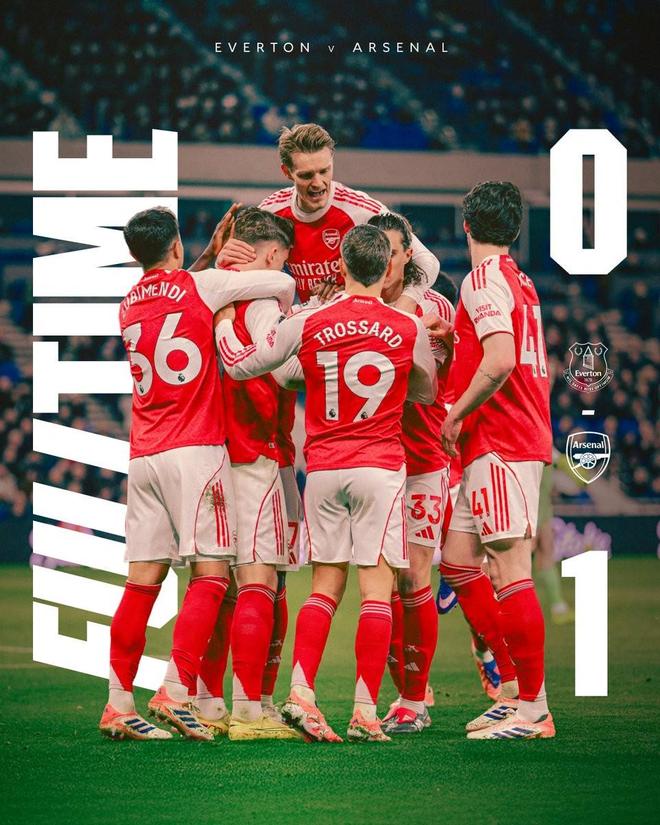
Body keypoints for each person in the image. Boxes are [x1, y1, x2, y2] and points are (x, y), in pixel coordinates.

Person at [215, 224, 440, 742]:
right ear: (388, 267)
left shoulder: (309, 320)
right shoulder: (407, 326)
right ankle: (364, 712)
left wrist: (226, 320)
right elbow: (426, 391)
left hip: (323, 469)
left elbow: (250, 367)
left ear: (339, 267)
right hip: (379, 467)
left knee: (323, 588)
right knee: (376, 592)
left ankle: (301, 694)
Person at [98, 206, 295, 741]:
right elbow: (279, 281)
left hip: (143, 454)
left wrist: (206, 258)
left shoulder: (127, 303)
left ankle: (118, 703)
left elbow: (171, 289)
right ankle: (176, 688)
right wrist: (225, 271)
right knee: (212, 574)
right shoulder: (204, 286)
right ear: (177, 245)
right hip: (195, 449)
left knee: (142, 582)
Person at [439, 181, 555, 740]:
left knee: (510, 568)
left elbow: (502, 358)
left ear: (467, 226)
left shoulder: (481, 279)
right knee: (458, 560)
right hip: (504, 438)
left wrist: (456, 413)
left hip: (501, 439)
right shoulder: (518, 280)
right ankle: (510, 688)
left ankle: (534, 709)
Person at [209, 207, 302, 741]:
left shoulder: (203, 295)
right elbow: (282, 370)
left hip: (210, 454)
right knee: (262, 581)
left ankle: (207, 699)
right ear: (271, 255)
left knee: (216, 583)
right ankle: (251, 708)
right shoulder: (265, 301)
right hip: (258, 452)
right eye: (284, 257)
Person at [365, 212, 454, 735]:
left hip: (420, 460)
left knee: (414, 576)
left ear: (407, 255)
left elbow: (444, 380)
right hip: (372, 462)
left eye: (393, 252)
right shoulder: (355, 306)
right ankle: (404, 691)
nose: (384, 261)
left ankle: (413, 700)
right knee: (381, 582)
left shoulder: (433, 308)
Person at [219, 122, 439, 309]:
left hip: (361, 319)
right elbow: (244, 275)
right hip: (309, 320)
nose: (318, 183)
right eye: (306, 175)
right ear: (287, 172)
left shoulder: (361, 209)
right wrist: (225, 264)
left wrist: (407, 302)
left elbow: (427, 261)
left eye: (324, 171)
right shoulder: (271, 212)